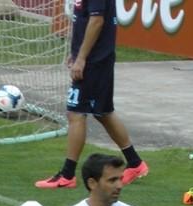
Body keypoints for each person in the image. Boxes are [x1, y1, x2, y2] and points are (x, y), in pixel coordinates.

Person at [35, 0, 148, 189]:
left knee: (76, 113)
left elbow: (97, 21)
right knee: (103, 113)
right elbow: (86, 19)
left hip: (95, 61)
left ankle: (67, 175)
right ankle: (135, 163)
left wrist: (81, 58)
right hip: (97, 58)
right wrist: (77, 52)